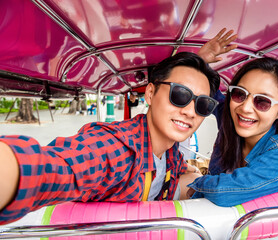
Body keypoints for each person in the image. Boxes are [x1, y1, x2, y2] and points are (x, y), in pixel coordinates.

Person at [0, 52, 220, 224]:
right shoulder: (117, 147)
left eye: (203, 105)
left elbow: (180, 171)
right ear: (151, 93)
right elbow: (53, 167)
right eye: (180, 95)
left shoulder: (169, 151)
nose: (191, 112)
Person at [189, 35, 278, 207]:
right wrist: (199, 61)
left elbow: (225, 193)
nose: (245, 108)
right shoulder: (231, 118)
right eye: (239, 94)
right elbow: (209, 93)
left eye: (262, 101)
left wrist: (195, 182)